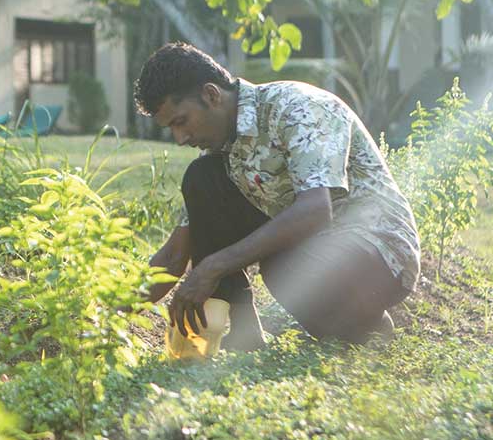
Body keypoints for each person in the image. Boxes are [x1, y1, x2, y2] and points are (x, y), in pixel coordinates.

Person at [136, 42, 420, 349]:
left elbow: (315, 211)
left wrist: (214, 266)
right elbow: (175, 255)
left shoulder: (298, 108)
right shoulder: (223, 150)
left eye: (181, 121)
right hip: (317, 248)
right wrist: (108, 311)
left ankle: (368, 328)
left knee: (283, 267)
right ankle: (246, 336)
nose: (179, 139)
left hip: (381, 251)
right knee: (201, 179)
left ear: (211, 95)